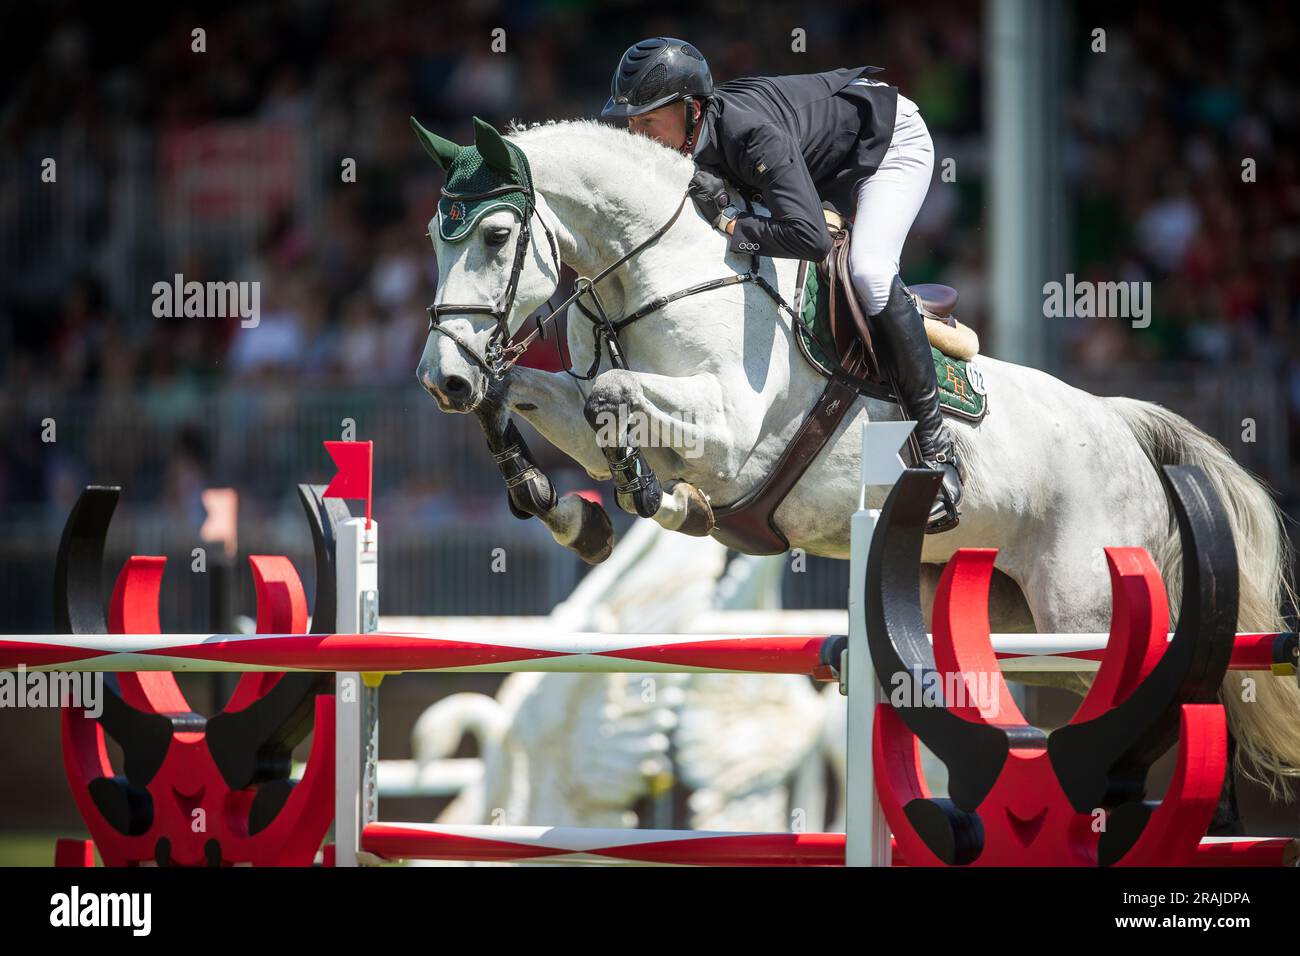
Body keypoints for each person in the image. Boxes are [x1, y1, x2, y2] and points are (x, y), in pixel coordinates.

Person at [601, 37, 961, 532]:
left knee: (870, 271)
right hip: (824, 157)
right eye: (630, 123)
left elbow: (810, 238)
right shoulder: (692, 140)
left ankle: (937, 448)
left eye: (647, 122)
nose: (636, 135)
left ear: (690, 110)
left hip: (890, 142)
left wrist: (730, 222)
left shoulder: (751, 135)